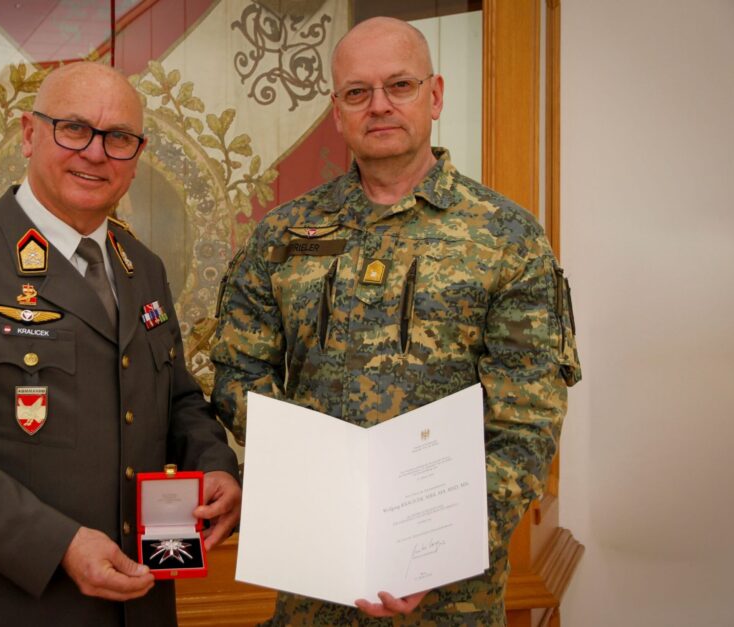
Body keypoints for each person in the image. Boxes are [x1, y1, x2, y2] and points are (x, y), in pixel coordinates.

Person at [211, 17, 581, 625]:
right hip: (313, 576)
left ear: (434, 95)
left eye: (399, 86)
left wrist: (437, 551)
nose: (378, 105)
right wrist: (310, 473)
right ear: (337, 111)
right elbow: (236, 371)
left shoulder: (507, 237)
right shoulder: (282, 235)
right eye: (357, 92)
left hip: (449, 593)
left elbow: (527, 419)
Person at [0, 61, 241, 627]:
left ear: (136, 158)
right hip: (9, 604)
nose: (96, 153)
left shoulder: (143, 267)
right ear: (27, 133)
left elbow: (178, 400)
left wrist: (215, 467)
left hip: (142, 605)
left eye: (119, 138)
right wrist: (58, 543)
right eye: (73, 128)